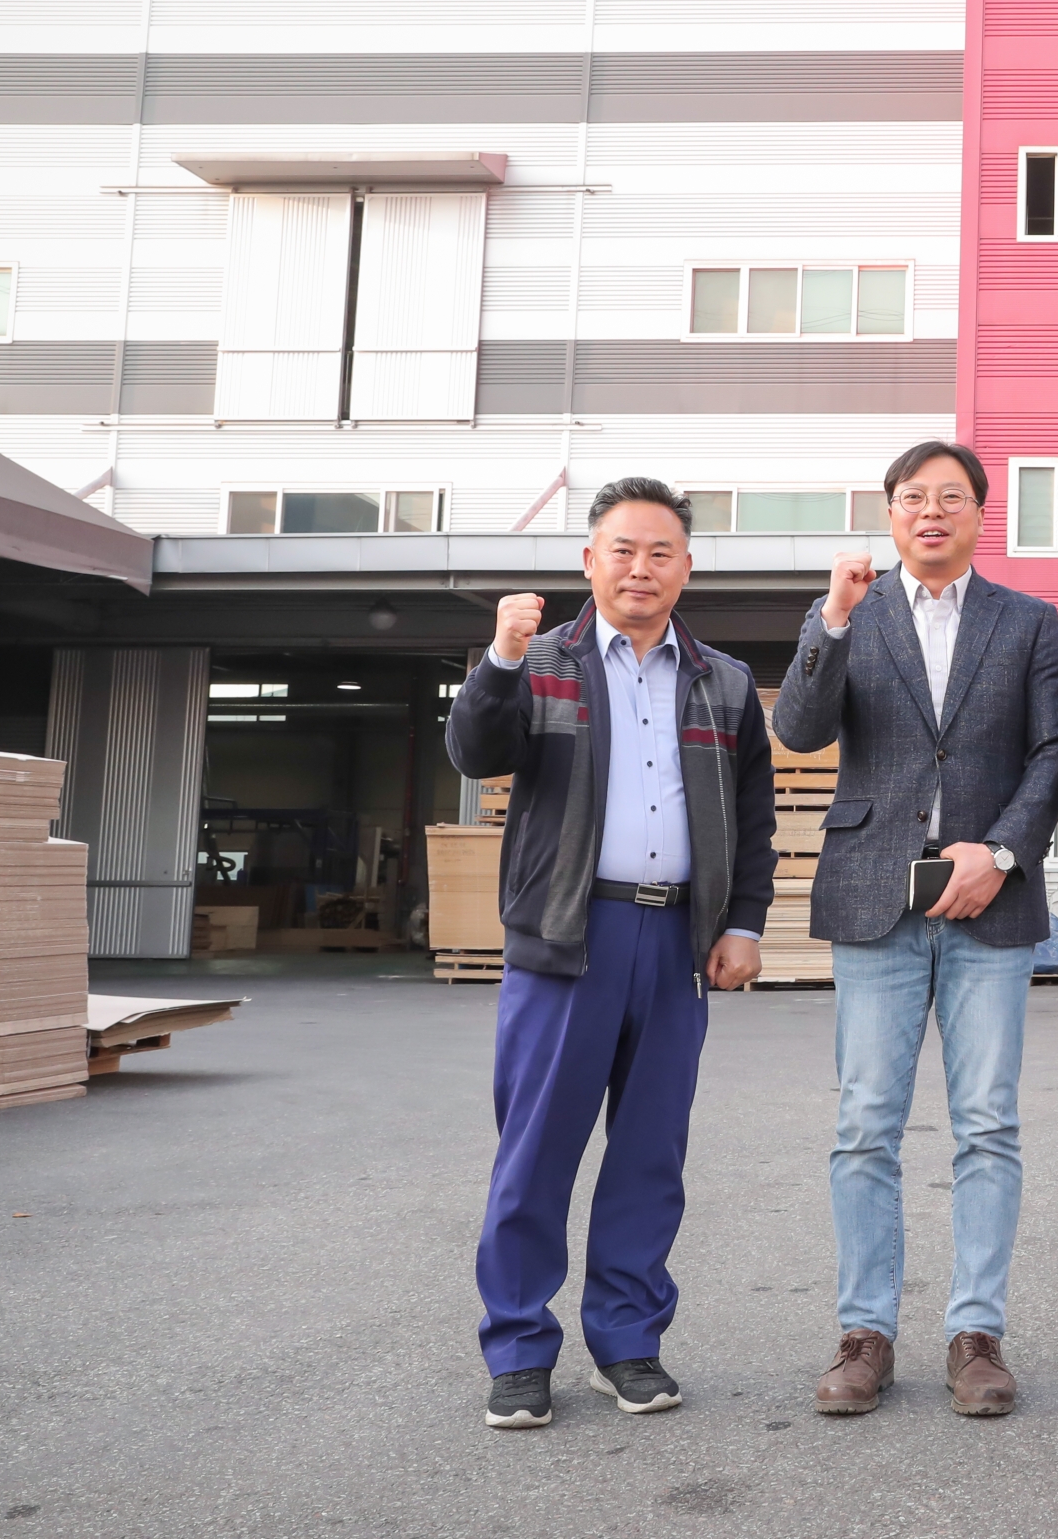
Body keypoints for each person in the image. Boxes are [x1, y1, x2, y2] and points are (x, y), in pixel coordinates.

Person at [446, 476, 778, 1431]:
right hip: (567, 936)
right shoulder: (541, 661)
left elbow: (753, 813)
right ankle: (519, 1350)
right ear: (590, 561)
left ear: (686, 568)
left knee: (649, 1154)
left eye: (660, 552)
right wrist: (500, 659)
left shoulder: (720, 680)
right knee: (537, 1151)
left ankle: (627, 1343)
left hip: (675, 941)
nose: (641, 568)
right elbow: (475, 752)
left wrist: (744, 921)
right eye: (623, 550)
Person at [772, 441, 1058, 1419]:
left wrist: (1005, 852)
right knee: (865, 1125)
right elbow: (800, 730)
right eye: (913, 497)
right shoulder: (853, 613)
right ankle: (865, 1333)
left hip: (991, 901)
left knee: (987, 1124)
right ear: (892, 513)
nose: (931, 511)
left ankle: (976, 1336)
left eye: (950, 497)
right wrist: (831, 621)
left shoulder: (1027, 621)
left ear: (981, 513)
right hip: (874, 896)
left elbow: (1053, 753)